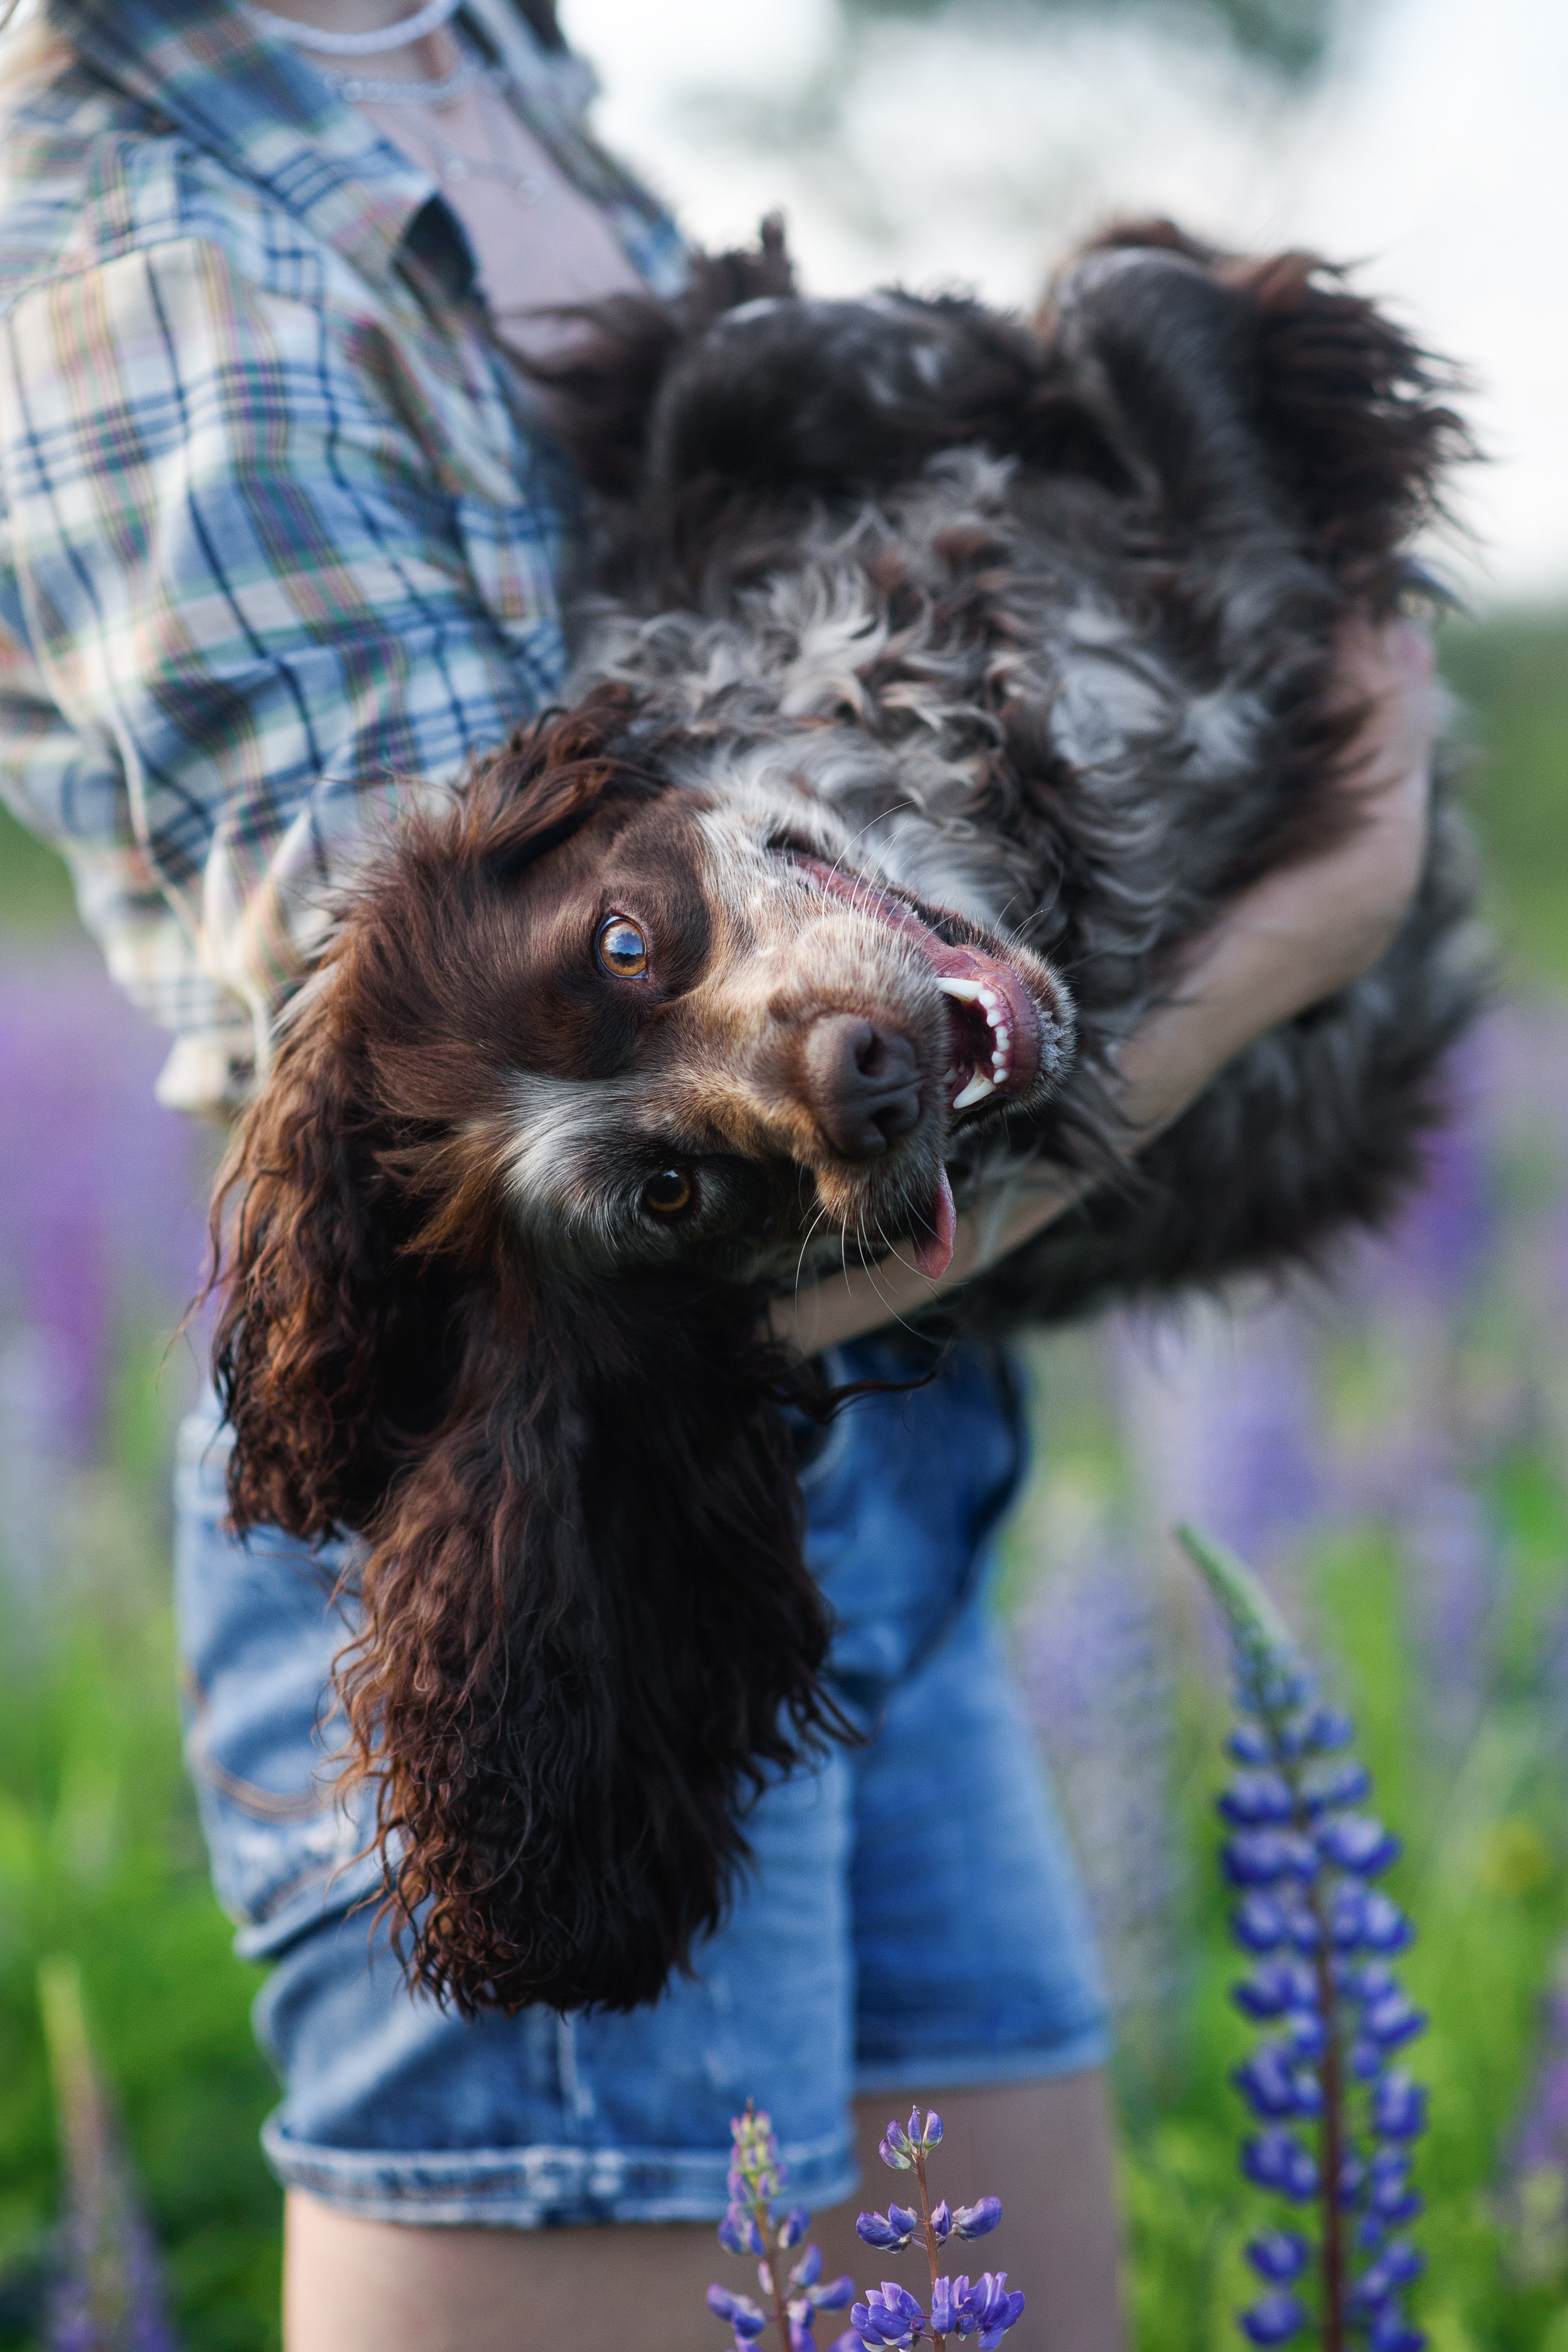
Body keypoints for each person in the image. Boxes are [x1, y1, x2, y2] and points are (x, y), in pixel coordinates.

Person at [0, 0, 1438, 2343]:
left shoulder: (460, 46)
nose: (823, 1064)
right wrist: (1299, 935)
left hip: (868, 1473)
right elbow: (446, 1225)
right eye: (638, 964)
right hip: (564, 1611)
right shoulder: (145, 266)